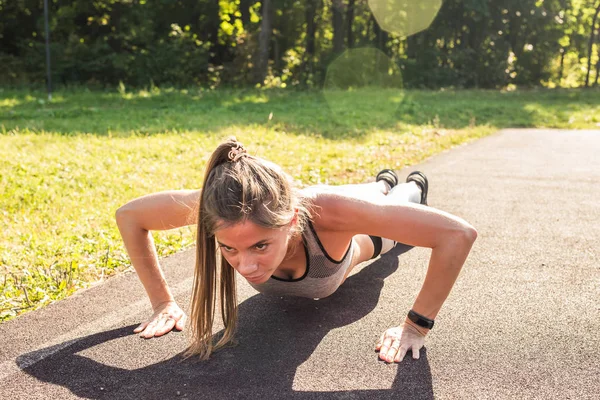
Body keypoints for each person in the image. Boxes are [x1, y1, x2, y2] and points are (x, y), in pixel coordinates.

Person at [115, 137, 477, 364]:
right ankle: (380, 183)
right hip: (314, 207)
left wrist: (416, 326)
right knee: (358, 202)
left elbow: (457, 234)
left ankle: (406, 186)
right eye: (229, 249)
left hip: (340, 244)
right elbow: (129, 216)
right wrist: (163, 302)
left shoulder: (326, 213)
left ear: (292, 222)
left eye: (260, 246)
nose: (246, 265)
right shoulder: (218, 207)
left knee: (382, 237)